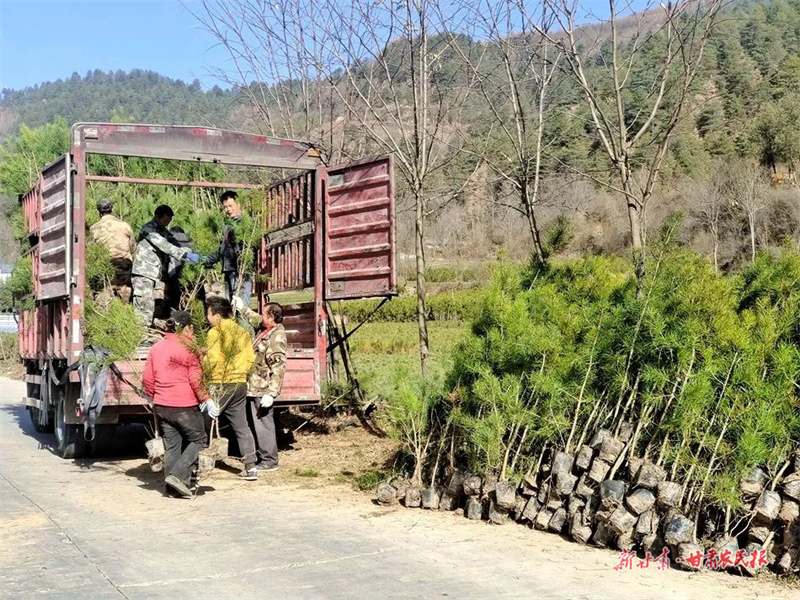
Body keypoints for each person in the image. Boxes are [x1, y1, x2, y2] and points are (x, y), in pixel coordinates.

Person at [142, 310, 219, 498]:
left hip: (162, 406)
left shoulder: (157, 347)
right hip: (183, 404)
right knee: (199, 440)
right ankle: (177, 476)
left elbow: (147, 378)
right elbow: (195, 378)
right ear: (187, 328)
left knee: (173, 446)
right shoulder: (189, 348)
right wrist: (206, 399)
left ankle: (171, 489)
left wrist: (152, 396)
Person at [203, 296, 259, 480]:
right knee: (242, 426)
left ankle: (197, 464)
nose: (207, 317)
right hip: (240, 384)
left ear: (217, 315)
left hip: (222, 383)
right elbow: (251, 358)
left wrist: (206, 377)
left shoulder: (215, 332)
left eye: (208, 313)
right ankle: (251, 467)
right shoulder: (242, 332)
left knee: (203, 422)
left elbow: (212, 359)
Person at [232, 296, 286, 472]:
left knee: (263, 425)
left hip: (262, 388)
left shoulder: (276, 336)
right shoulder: (266, 329)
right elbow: (254, 319)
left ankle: (270, 460)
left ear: (271, 317)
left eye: (264, 313)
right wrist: (242, 307)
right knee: (256, 423)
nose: (261, 316)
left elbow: (278, 366)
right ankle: (263, 456)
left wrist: (272, 393)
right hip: (254, 385)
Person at [132, 205, 201, 327]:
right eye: (164, 221)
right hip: (143, 272)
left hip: (152, 272)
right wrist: (185, 254)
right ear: (157, 217)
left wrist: (192, 252)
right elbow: (166, 246)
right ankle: (139, 333)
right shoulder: (148, 229)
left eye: (168, 222)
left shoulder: (162, 230)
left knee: (148, 303)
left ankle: (144, 331)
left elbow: (174, 242)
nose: (166, 224)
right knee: (143, 303)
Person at [203, 191, 253, 305]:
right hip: (228, 270)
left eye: (230, 206)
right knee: (231, 306)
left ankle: (244, 323)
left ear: (238, 204)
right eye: (225, 207)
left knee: (241, 304)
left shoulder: (246, 223)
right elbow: (223, 249)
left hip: (240, 270)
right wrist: (207, 259)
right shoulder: (226, 225)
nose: (228, 209)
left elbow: (249, 247)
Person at [89, 198, 136, 303]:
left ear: (99, 211)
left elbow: (94, 250)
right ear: (112, 209)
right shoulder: (124, 225)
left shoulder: (94, 228)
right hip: (124, 266)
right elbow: (132, 246)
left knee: (104, 299)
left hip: (106, 267)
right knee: (125, 299)